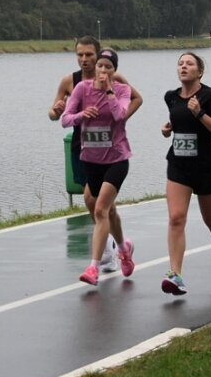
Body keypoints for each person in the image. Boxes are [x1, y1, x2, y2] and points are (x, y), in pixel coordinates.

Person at [48, 36, 142, 272]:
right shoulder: (72, 82)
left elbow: (135, 99)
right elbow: (56, 114)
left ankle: (109, 252)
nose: (84, 59)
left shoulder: (115, 78)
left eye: (89, 55)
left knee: (99, 204)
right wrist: (55, 110)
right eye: (80, 55)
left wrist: (118, 122)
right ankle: (118, 246)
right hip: (83, 147)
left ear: (99, 55)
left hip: (111, 149)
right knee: (95, 203)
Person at [160, 52, 211, 295]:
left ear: (199, 71)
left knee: (210, 219)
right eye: (180, 63)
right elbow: (178, 125)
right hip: (178, 165)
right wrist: (168, 129)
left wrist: (200, 113)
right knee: (176, 217)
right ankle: (176, 274)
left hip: (206, 166)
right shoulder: (171, 97)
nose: (184, 67)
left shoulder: (209, 96)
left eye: (189, 64)